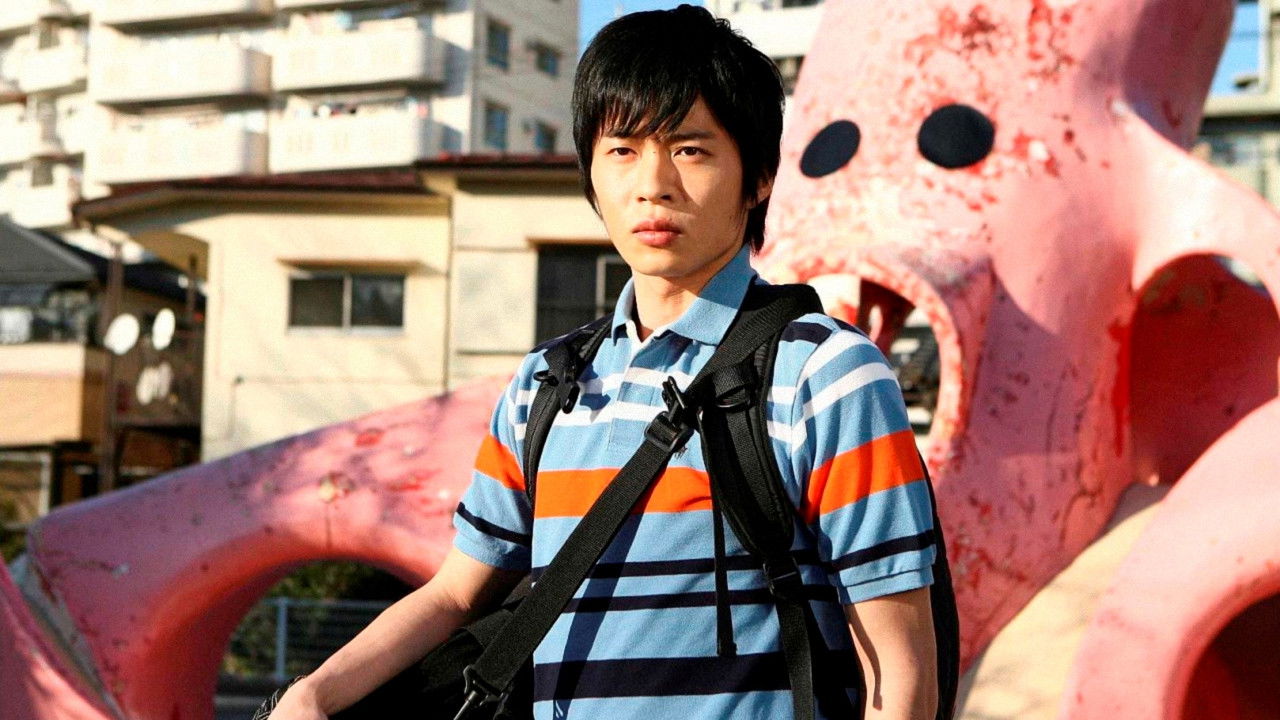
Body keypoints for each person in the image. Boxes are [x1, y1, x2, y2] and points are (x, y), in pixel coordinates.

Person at [268, 5, 938, 719]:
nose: (653, 183)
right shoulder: (544, 386)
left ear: (759, 177)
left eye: (690, 150)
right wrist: (310, 695)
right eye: (621, 150)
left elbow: (900, 676)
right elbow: (456, 595)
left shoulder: (826, 375)